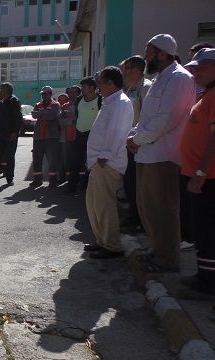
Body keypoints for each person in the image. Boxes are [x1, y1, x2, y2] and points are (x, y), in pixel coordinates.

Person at [126, 34, 196, 273]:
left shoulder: (180, 78)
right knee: (148, 207)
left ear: (162, 54)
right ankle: (157, 251)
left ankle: (168, 258)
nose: (146, 56)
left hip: (164, 156)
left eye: (149, 51)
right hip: (147, 153)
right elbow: (147, 119)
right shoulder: (160, 78)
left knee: (163, 209)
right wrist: (133, 136)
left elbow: (165, 120)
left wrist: (136, 139)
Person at [83, 66, 134, 258]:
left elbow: (117, 132)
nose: (98, 86)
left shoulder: (120, 102)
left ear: (111, 83)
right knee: (94, 203)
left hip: (107, 162)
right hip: (99, 161)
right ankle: (102, 240)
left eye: (100, 82)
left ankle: (112, 245)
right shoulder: (110, 101)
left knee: (104, 205)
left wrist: (104, 156)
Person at [178, 48, 215, 296]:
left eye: (202, 67)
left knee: (208, 230)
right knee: (200, 229)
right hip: (197, 175)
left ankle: (208, 284)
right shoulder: (206, 95)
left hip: (207, 178)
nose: (196, 72)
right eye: (195, 68)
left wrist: (201, 173)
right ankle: (203, 275)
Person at [120, 55, 152, 234]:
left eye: (127, 68)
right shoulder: (131, 88)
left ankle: (140, 220)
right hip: (130, 142)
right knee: (130, 182)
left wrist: (136, 139)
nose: (124, 72)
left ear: (138, 70)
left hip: (140, 144)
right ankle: (133, 216)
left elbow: (147, 120)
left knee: (138, 184)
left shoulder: (146, 88)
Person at [66, 78, 101, 193]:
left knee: (90, 163)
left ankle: (87, 188)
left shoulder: (100, 100)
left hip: (93, 136)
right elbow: (78, 115)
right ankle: (71, 188)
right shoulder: (79, 100)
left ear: (92, 88)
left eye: (84, 87)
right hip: (79, 135)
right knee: (74, 162)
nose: (82, 89)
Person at [0, 83, 21, 186]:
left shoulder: (14, 101)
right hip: (0, 135)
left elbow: (18, 118)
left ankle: (9, 179)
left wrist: (15, 132)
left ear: (6, 91)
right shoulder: (2, 102)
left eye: (1, 90)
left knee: (10, 157)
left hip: (10, 135)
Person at [30, 86, 61, 188]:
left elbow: (53, 116)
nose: (43, 95)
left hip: (51, 137)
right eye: (42, 94)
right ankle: (37, 180)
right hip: (38, 136)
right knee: (37, 159)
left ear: (50, 94)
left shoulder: (55, 105)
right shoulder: (37, 104)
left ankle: (52, 181)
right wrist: (44, 113)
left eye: (46, 93)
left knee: (52, 159)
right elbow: (34, 115)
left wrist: (40, 114)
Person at [56, 92, 70, 184]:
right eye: (59, 100)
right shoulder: (57, 109)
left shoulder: (68, 109)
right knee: (59, 159)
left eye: (63, 100)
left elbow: (68, 122)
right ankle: (61, 177)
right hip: (56, 138)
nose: (61, 102)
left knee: (65, 159)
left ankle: (66, 178)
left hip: (65, 138)